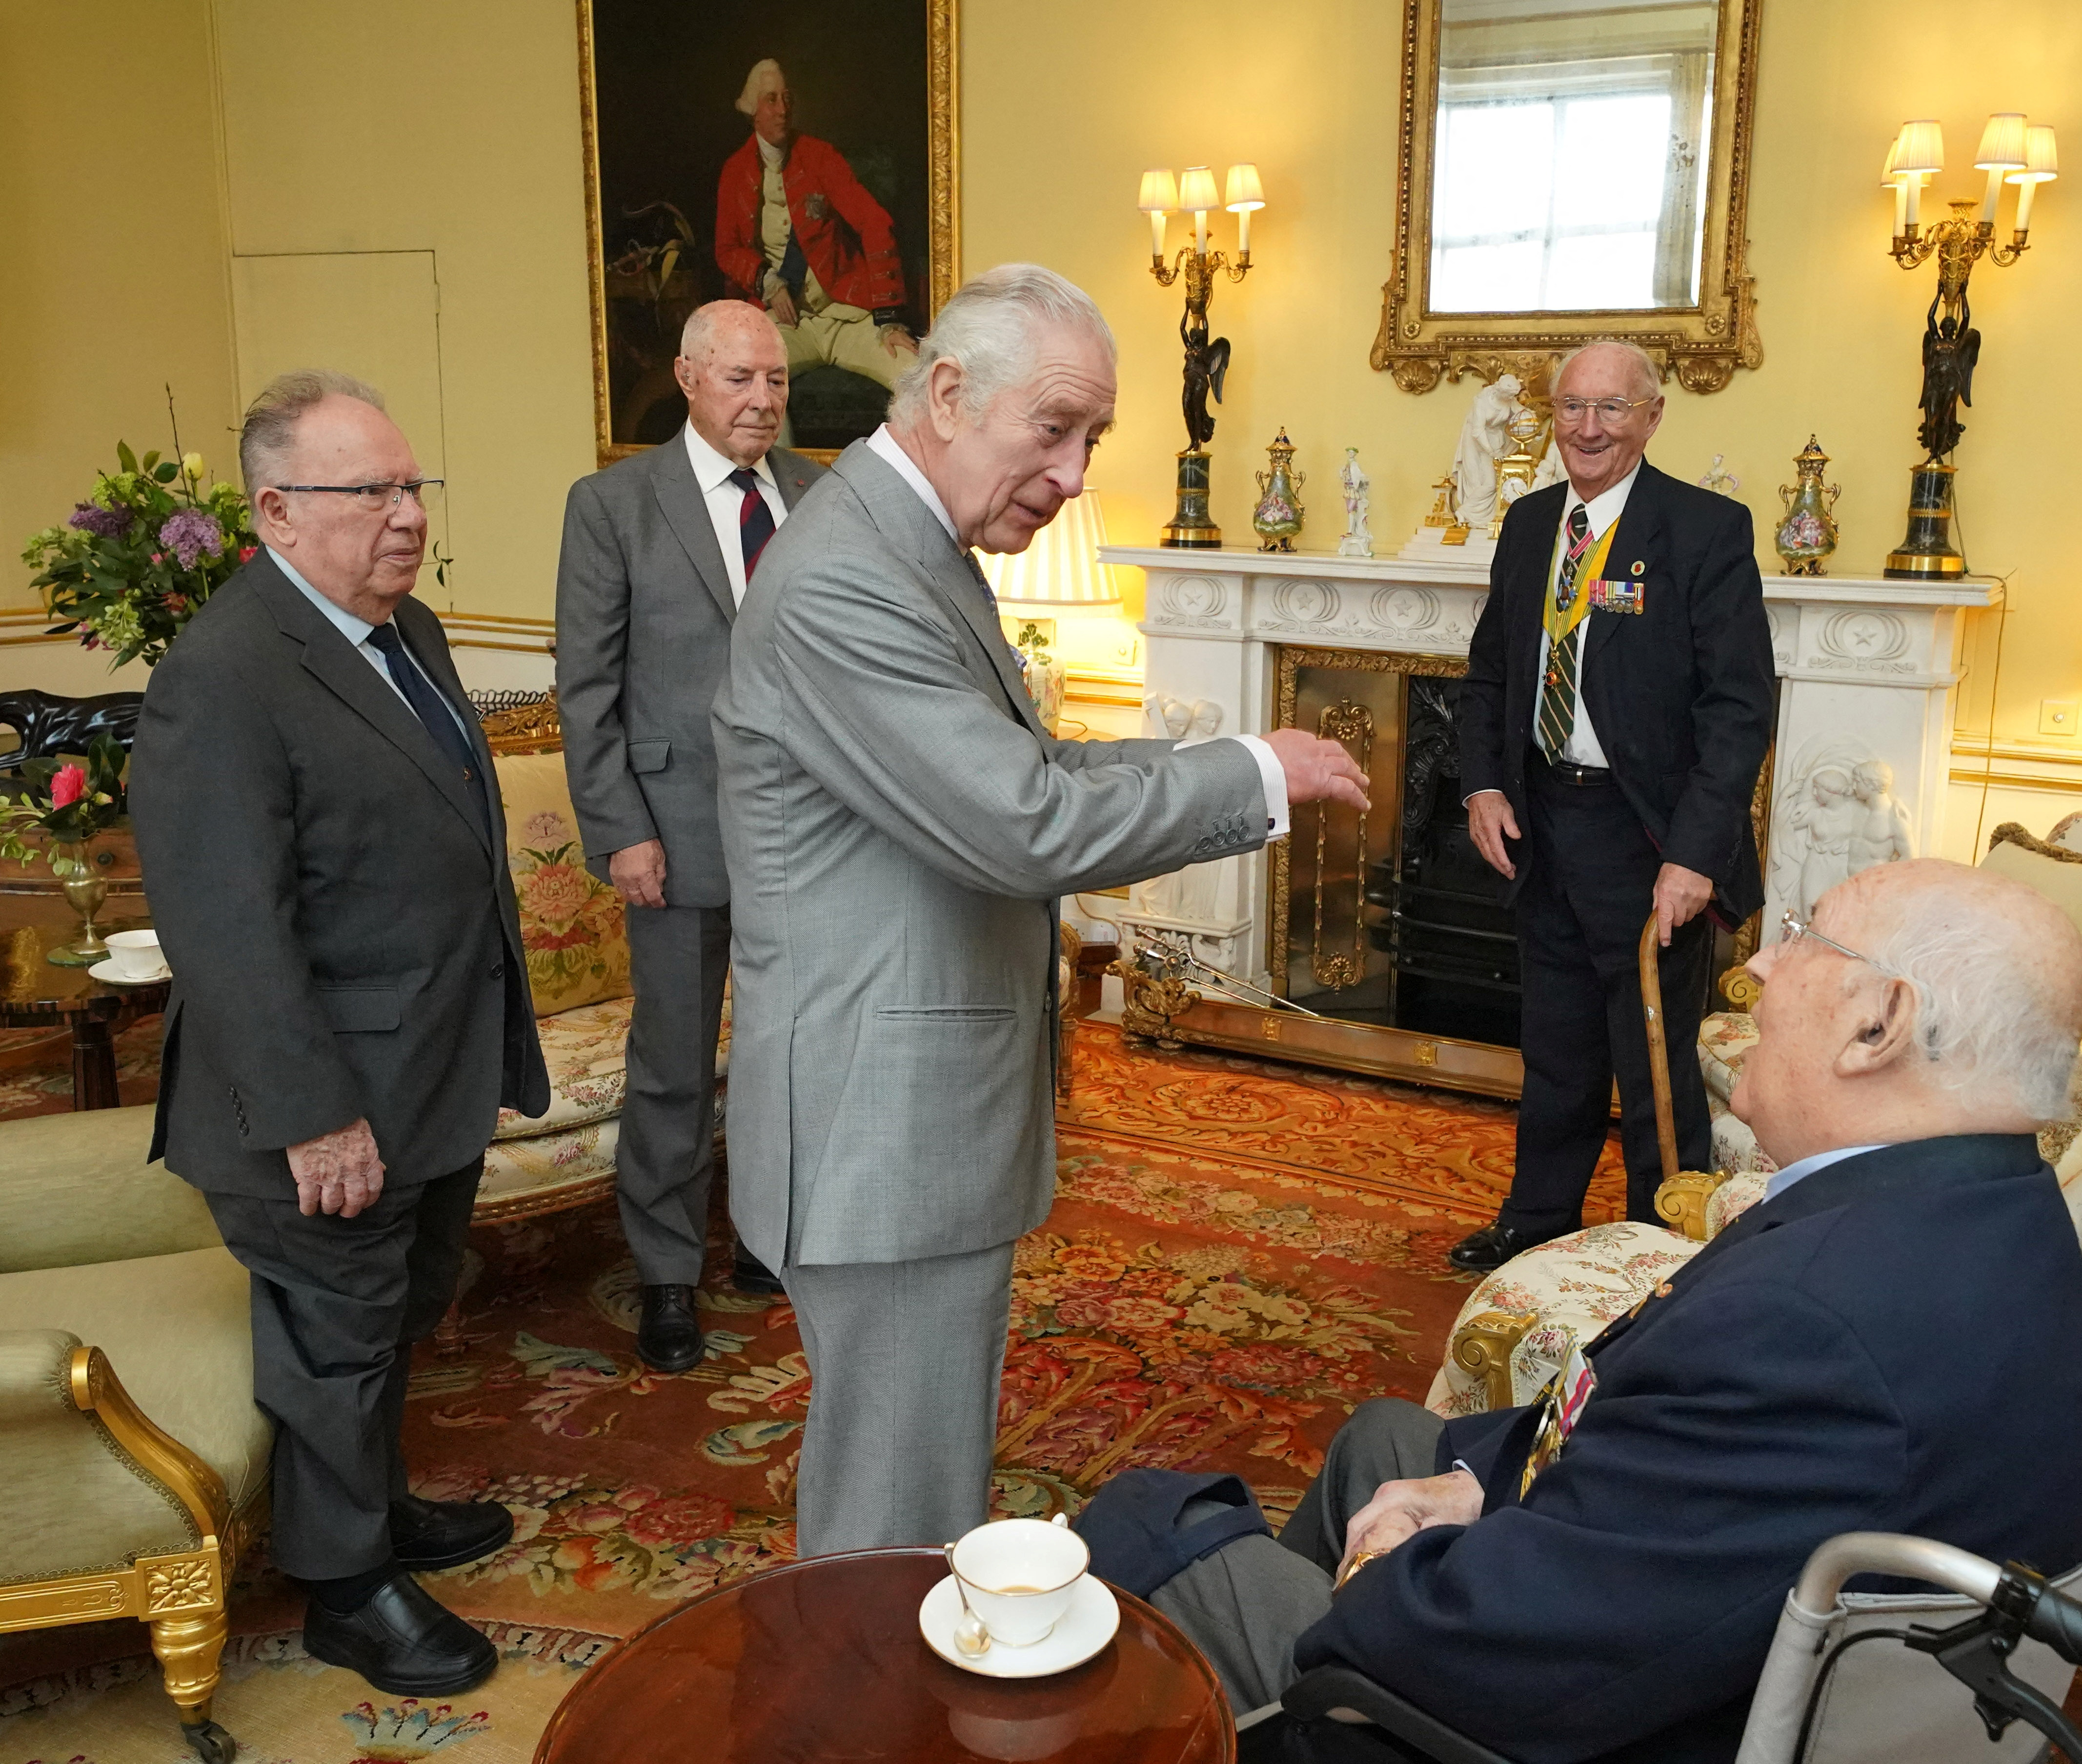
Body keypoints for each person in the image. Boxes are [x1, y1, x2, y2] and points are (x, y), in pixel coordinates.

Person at [1081, 859, 2082, 1763]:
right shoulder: (1994, 1211)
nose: (1762, 965)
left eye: (1805, 936)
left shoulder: (1812, 1329)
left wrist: (1383, 1577)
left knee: (1155, 1523)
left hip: (1588, 1719)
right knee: (1387, 1443)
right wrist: (1469, 1485)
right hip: (1698, 1620)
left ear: (1877, 1022)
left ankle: (1290, 1716)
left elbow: (1506, 1653)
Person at [710, 263, 1370, 1554]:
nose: (1073, 475)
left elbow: (1034, 767)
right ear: (950, 394)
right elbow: (1023, 823)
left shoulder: (913, 546)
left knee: (920, 1491)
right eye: (1056, 428)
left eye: (1094, 440)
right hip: (878, 1128)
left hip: (912, 1119)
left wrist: (1235, 763)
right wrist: (1249, 776)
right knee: (890, 1521)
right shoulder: (851, 577)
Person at [135, 371, 548, 1696]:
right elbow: (227, 927)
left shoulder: (404, 628)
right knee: (339, 1333)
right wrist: (313, 1116)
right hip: (318, 1097)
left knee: (399, 1306)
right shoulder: (224, 675)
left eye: (411, 486)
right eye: (369, 491)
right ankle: (346, 1588)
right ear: (276, 512)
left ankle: (370, 1504)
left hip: (425, 1070)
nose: (407, 515)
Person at [1450, 340, 1775, 1272]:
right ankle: (1535, 1217)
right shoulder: (1527, 524)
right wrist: (1482, 783)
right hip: (1542, 824)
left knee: (1652, 1056)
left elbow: (1737, 709)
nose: (1586, 428)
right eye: (1570, 407)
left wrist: (1694, 854)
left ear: (1651, 416)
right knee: (1554, 1042)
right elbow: (1489, 673)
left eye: (1609, 408)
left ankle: (1662, 1241)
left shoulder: (1704, 530)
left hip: (1649, 838)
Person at [555, 302, 821, 1371]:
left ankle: (764, 1235)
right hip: (674, 833)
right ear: (687, 378)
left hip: (808, 835)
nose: (763, 399)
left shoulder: (817, 493)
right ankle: (667, 1272)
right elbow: (587, 689)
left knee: (785, 1051)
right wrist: (622, 829)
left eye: (777, 380)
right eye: (740, 378)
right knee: (672, 1064)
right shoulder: (614, 504)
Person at [713, 57, 914, 402]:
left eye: (787, 99)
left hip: (847, 316)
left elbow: (875, 224)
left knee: (918, 380)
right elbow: (727, 249)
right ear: (753, 111)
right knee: (749, 395)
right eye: (772, 100)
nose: (783, 110)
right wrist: (767, 281)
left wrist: (890, 319)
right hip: (787, 324)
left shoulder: (820, 156)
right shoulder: (735, 171)